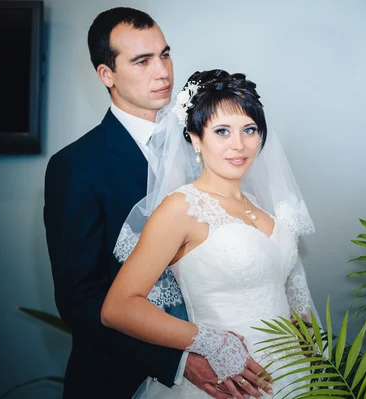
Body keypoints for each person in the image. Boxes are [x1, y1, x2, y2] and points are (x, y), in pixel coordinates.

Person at [44, 8, 259, 399]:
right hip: (126, 378)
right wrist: (177, 361)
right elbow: (79, 297)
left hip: (230, 367)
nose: (162, 72)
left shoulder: (207, 141)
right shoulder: (76, 166)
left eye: (165, 54)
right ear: (106, 75)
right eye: (142, 61)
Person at [101, 69, 320, 398]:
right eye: (222, 131)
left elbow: (281, 290)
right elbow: (117, 308)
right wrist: (212, 343)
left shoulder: (263, 211)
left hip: (292, 377)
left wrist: (307, 338)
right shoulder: (180, 208)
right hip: (229, 379)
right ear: (195, 137)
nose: (239, 145)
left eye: (249, 130)